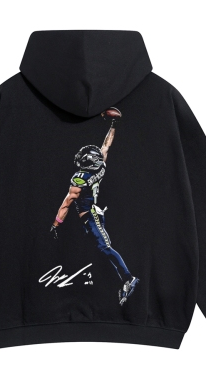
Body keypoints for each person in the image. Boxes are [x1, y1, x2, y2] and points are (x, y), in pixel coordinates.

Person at [50, 108, 139, 305]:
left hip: (91, 216)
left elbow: (66, 204)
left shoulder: (80, 179)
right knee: (93, 251)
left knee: (104, 247)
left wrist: (56, 224)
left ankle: (128, 278)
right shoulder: (101, 166)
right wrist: (113, 125)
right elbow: (106, 145)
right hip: (93, 214)